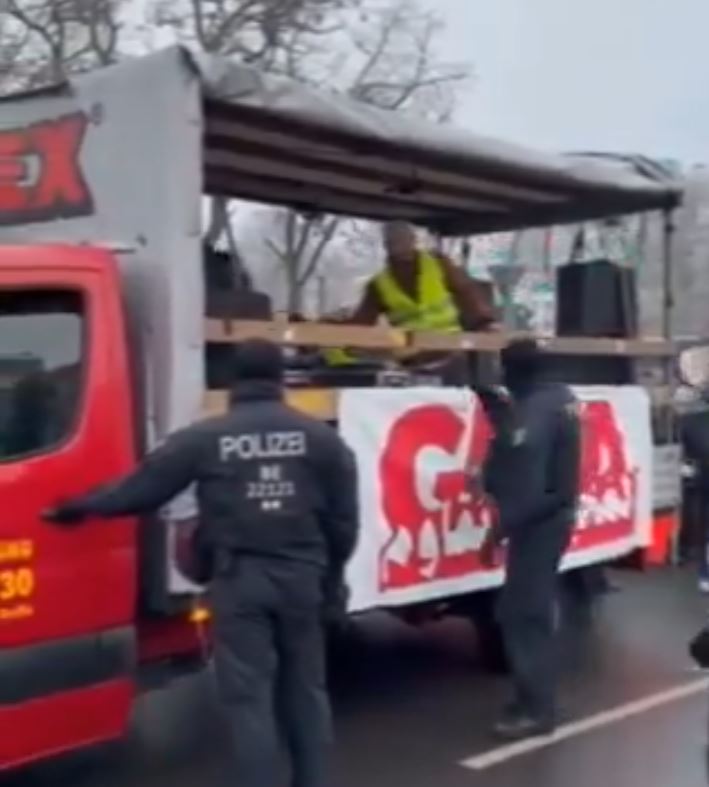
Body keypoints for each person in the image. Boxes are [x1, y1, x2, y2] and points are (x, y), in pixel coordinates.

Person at [45, 338, 360, 787]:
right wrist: (331, 581)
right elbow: (345, 521)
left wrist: (77, 508)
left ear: (233, 380)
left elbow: (140, 491)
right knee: (305, 691)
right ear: (280, 379)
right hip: (303, 577)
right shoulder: (322, 440)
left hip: (239, 580)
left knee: (249, 700)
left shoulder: (205, 438)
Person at [477, 338, 581, 741]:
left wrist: (500, 527)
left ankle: (537, 709)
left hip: (539, 521)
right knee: (525, 611)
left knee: (523, 614)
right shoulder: (559, 397)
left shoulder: (536, 410)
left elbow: (527, 476)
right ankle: (540, 699)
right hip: (551, 516)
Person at [325, 221, 497, 380]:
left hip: (450, 352)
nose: (398, 245)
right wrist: (329, 330)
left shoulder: (438, 264)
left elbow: (466, 293)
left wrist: (485, 323)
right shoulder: (378, 285)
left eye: (402, 239)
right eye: (393, 241)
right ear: (386, 245)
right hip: (413, 360)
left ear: (413, 240)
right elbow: (361, 325)